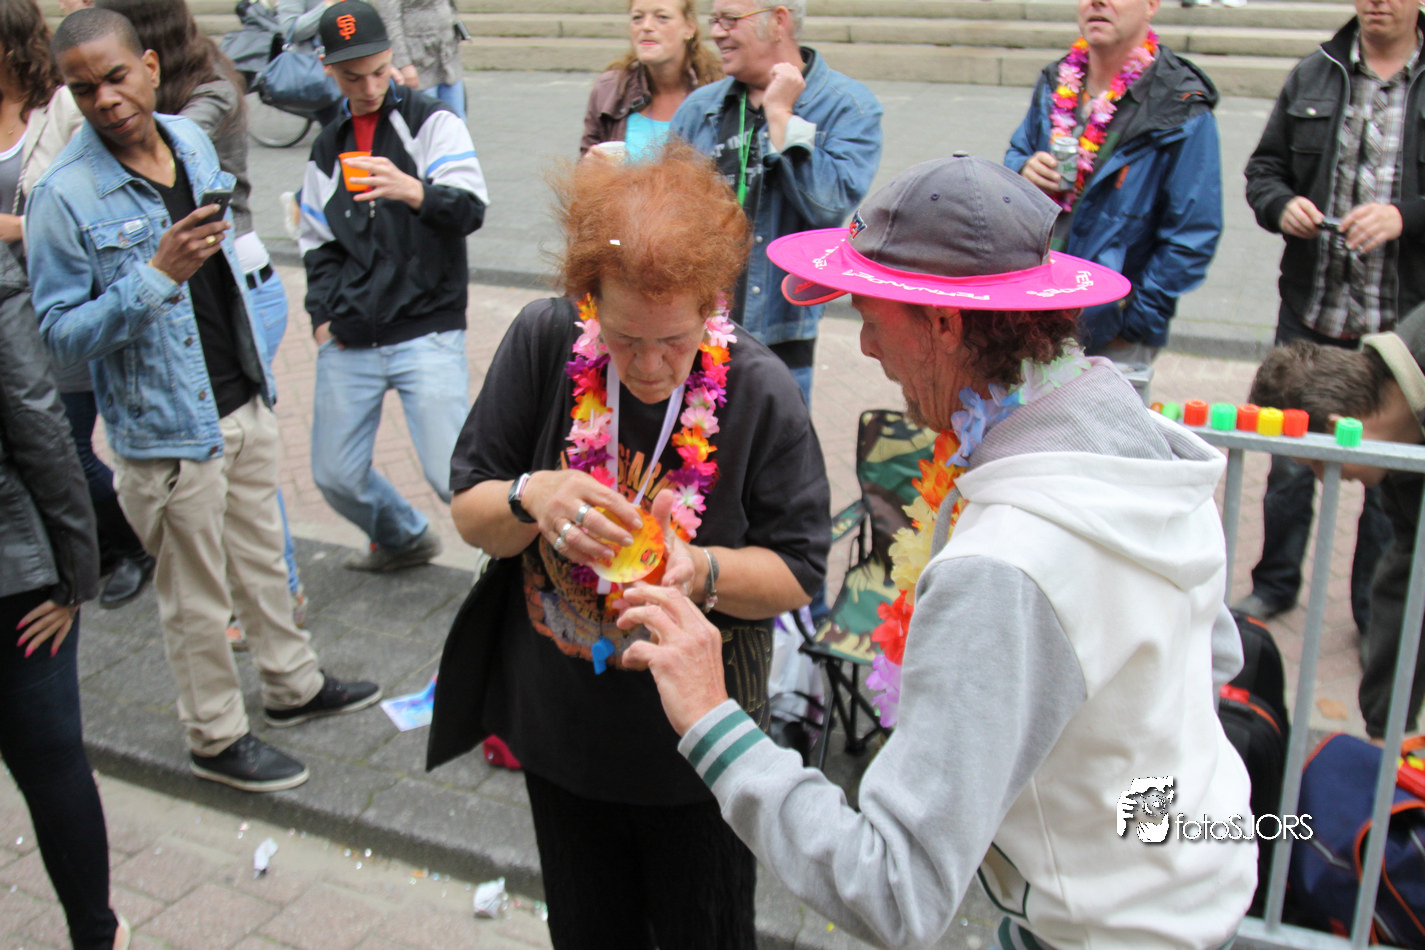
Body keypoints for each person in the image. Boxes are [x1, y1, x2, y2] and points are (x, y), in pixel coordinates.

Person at [616, 154, 1255, 950]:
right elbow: (1207, 664)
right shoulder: (1142, 451)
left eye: (869, 313)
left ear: (944, 323)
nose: (864, 346)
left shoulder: (1004, 564)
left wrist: (713, 718)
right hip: (1189, 895)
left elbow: (894, 890)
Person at [441, 141, 830, 949]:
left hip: (698, 757)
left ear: (713, 303)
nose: (651, 367)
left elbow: (798, 570)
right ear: (587, 299)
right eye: (624, 339)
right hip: (561, 736)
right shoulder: (545, 342)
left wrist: (703, 570)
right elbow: (472, 514)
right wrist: (531, 494)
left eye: (675, 341)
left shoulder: (758, 389)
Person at [27, 7, 381, 793]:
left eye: (116, 77)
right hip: (164, 432)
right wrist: (153, 276)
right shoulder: (64, 194)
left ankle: (292, 685)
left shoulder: (188, 140)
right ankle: (215, 737)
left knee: (261, 561)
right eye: (83, 90)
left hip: (240, 395)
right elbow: (57, 338)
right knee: (195, 597)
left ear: (150, 68)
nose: (105, 99)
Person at [95, 0, 309, 634]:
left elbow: (163, 145)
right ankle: (252, 596)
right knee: (220, 453)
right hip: (188, 285)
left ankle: (279, 592)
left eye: (116, 69)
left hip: (238, 286)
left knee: (240, 447)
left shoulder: (208, 91)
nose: (106, 98)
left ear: (145, 48)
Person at [1237, 0, 1424, 629]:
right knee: (1289, 464)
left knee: (1387, 471)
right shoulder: (1316, 71)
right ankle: (1273, 585)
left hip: (1396, 325)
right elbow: (1264, 170)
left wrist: (1404, 217)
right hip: (1311, 313)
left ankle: (1373, 611)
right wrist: (1280, 205)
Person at [298, 0, 486, 572]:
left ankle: (513, 574)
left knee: (454, 476)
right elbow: (317, 242)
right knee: (334, 474)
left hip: (426, 326)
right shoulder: (327, 145)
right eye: (352, 77)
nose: (370, 87)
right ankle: (403, 538)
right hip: (351, 333)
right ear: (329, 70)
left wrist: (414, 190)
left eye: (379, 70)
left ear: (391, 57)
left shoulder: (431, 121)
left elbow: (471, 209)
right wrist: (322, 318)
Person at [0, 0, 153, 612]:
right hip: (14, 309)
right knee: (49, 438)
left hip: (75, 295)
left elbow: (92, 201)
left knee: (67, 439)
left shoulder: (64, 105)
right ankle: (108, 546)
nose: (104, 97)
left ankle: (132, 544)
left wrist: (16, 228)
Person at [0, 243, 129, 950]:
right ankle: (97, 936)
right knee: (51, 762)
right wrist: (79, 574)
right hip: (17, 576)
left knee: (52, 764)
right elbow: (39, 423)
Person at [669, 0, 881, 404]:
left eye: (730, 19)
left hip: (781, 332)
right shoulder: (699, 108)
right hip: (694, 324)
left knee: (775, 439)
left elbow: (829, 204)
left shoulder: (846, 105)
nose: (717, 32)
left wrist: (781, 116)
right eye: (714, 20)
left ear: (778, 21)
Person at [1005, 0, 1223, 367]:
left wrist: (1135, 322)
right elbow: (1017, 151)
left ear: (1151, 5)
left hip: (1110, 330)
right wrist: (1022, 168)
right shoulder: (1057, 79)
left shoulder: (1180, 103)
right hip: (1031, 312)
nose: (1097, 2)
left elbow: (1192, 233)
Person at [1246, 303, 1425, 739]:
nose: (1326, 479)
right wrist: (1388, 729)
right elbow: (1408, 576)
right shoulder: (1399, 458)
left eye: (1317, 463)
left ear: (1340, 427)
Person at [579, 0, 721, 160]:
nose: (646, 26)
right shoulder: (609, 90)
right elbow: (583, 165)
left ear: (689, 28)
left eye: (662, 17)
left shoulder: (720, 91)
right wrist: (590, 166)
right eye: (637, 18)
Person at [370, 0, 465, 118]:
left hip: (448, 59)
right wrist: (403, 64)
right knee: (427, 119)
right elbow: (389, 20)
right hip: (419, 63)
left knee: (456, 119)